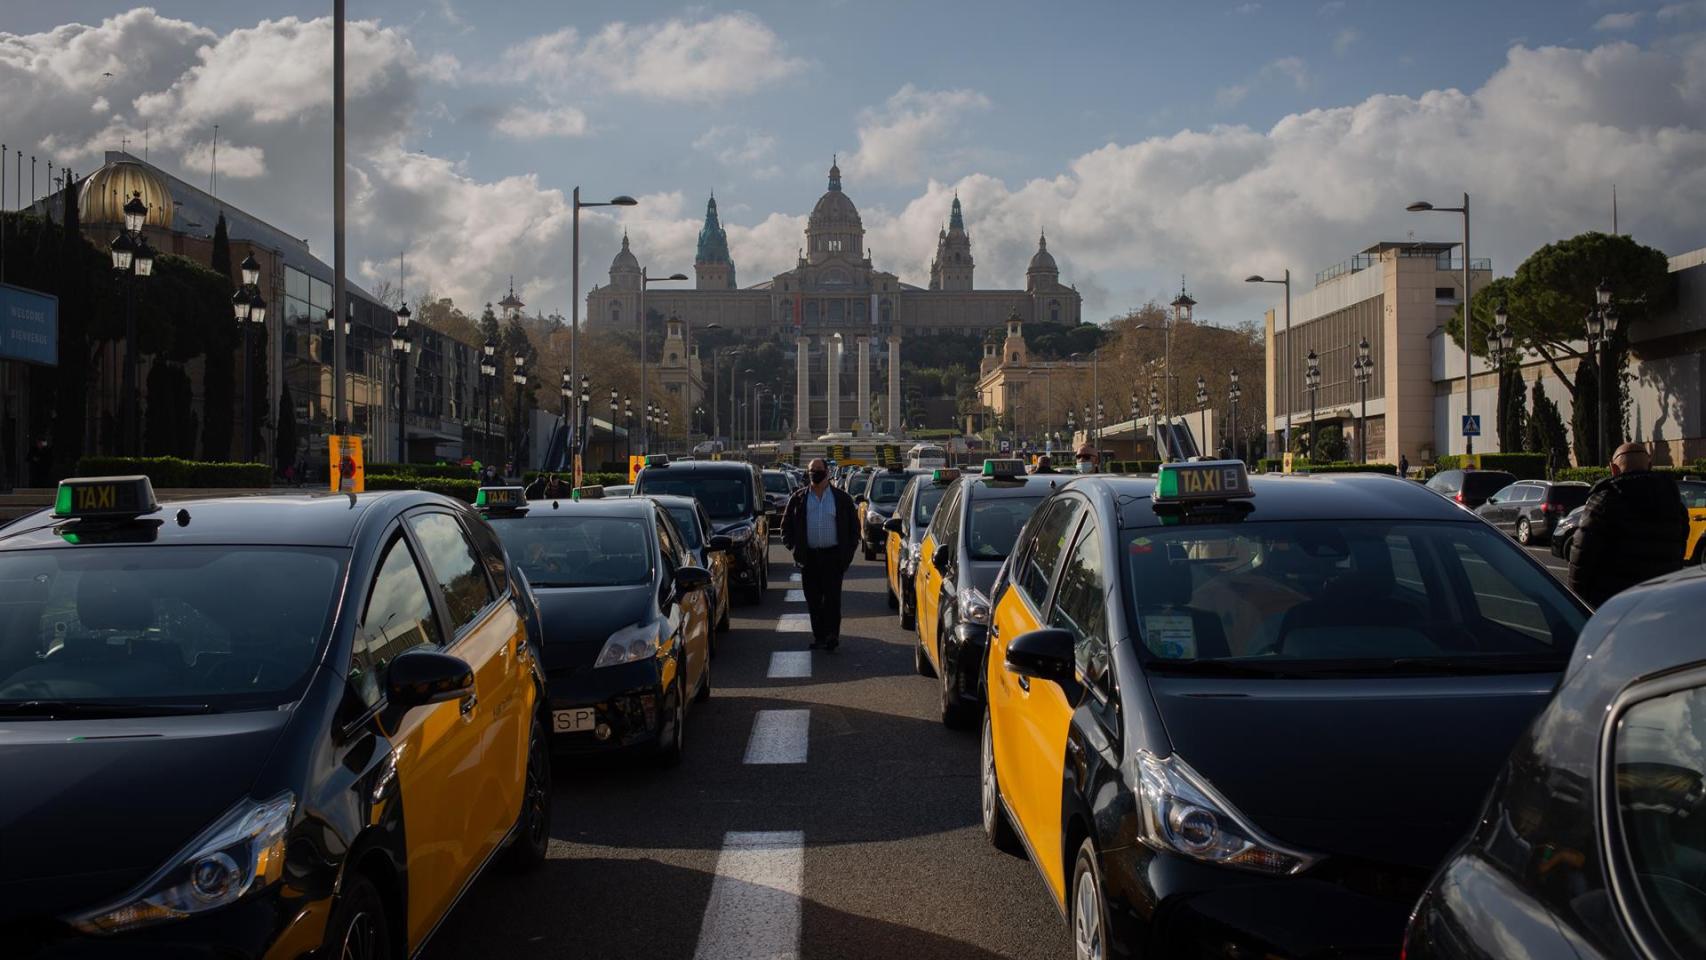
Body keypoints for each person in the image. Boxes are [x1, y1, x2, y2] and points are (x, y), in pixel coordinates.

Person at [1567, 442, 1689, 608]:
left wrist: (1575, 602)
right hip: (1661, 601)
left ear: (1614, 469)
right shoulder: (1674, 503)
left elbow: (1581, 557)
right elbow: (1680, 550)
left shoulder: (1605, 500)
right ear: (1650, 466)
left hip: (1614, 604)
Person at [780, 457, 858, 651]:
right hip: (809, 557)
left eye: (817, 469)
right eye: (811, 470)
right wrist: (795, 549)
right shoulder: (798, 498)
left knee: (832, 599)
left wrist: (846, 555)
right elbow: (785, 527)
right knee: (813, 600)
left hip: (833, 556)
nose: (813, 473)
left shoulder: (841, 499)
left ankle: (832, 635)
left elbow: (853, 530)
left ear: (827, 472)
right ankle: (819, 636)